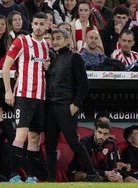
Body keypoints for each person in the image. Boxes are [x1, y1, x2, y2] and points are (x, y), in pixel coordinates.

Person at [44, 28, 100, 182]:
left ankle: (92, 174)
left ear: (67, 40)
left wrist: (75, 104)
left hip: (65, 106)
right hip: (50, 107)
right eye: (53, 38)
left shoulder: (75, 57)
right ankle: (50, 179)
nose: (55, 41)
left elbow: (84, 84)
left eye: (59, 38)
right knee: (50, 145)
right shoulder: (52, 59)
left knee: (74, 142)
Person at [2, 12, 50, 183]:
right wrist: (8, 91)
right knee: (20, 135)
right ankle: (13, 176)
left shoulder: (46, 45)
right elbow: (6, 67)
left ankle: (30, 177)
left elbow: (47, 69)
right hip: (24, 95)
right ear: (32, 25)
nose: (38, 27)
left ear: (47, 26)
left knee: (35, 138)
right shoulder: (21, 41)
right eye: (35, 23)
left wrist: (48, 66)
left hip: (40, 97)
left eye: (41, 24)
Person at [67, 121, 138, 182]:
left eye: (105, 134)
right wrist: (105, 173)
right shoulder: (84, 143)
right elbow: (85, 167)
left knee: (127, 179)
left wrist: (113, 174)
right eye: (99, 132)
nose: (101, 136)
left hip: (102, 171)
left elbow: (113, 165)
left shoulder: (111, 143)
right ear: (95, 131)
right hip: (79, 172)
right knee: (95, 177)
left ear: (109, 134)